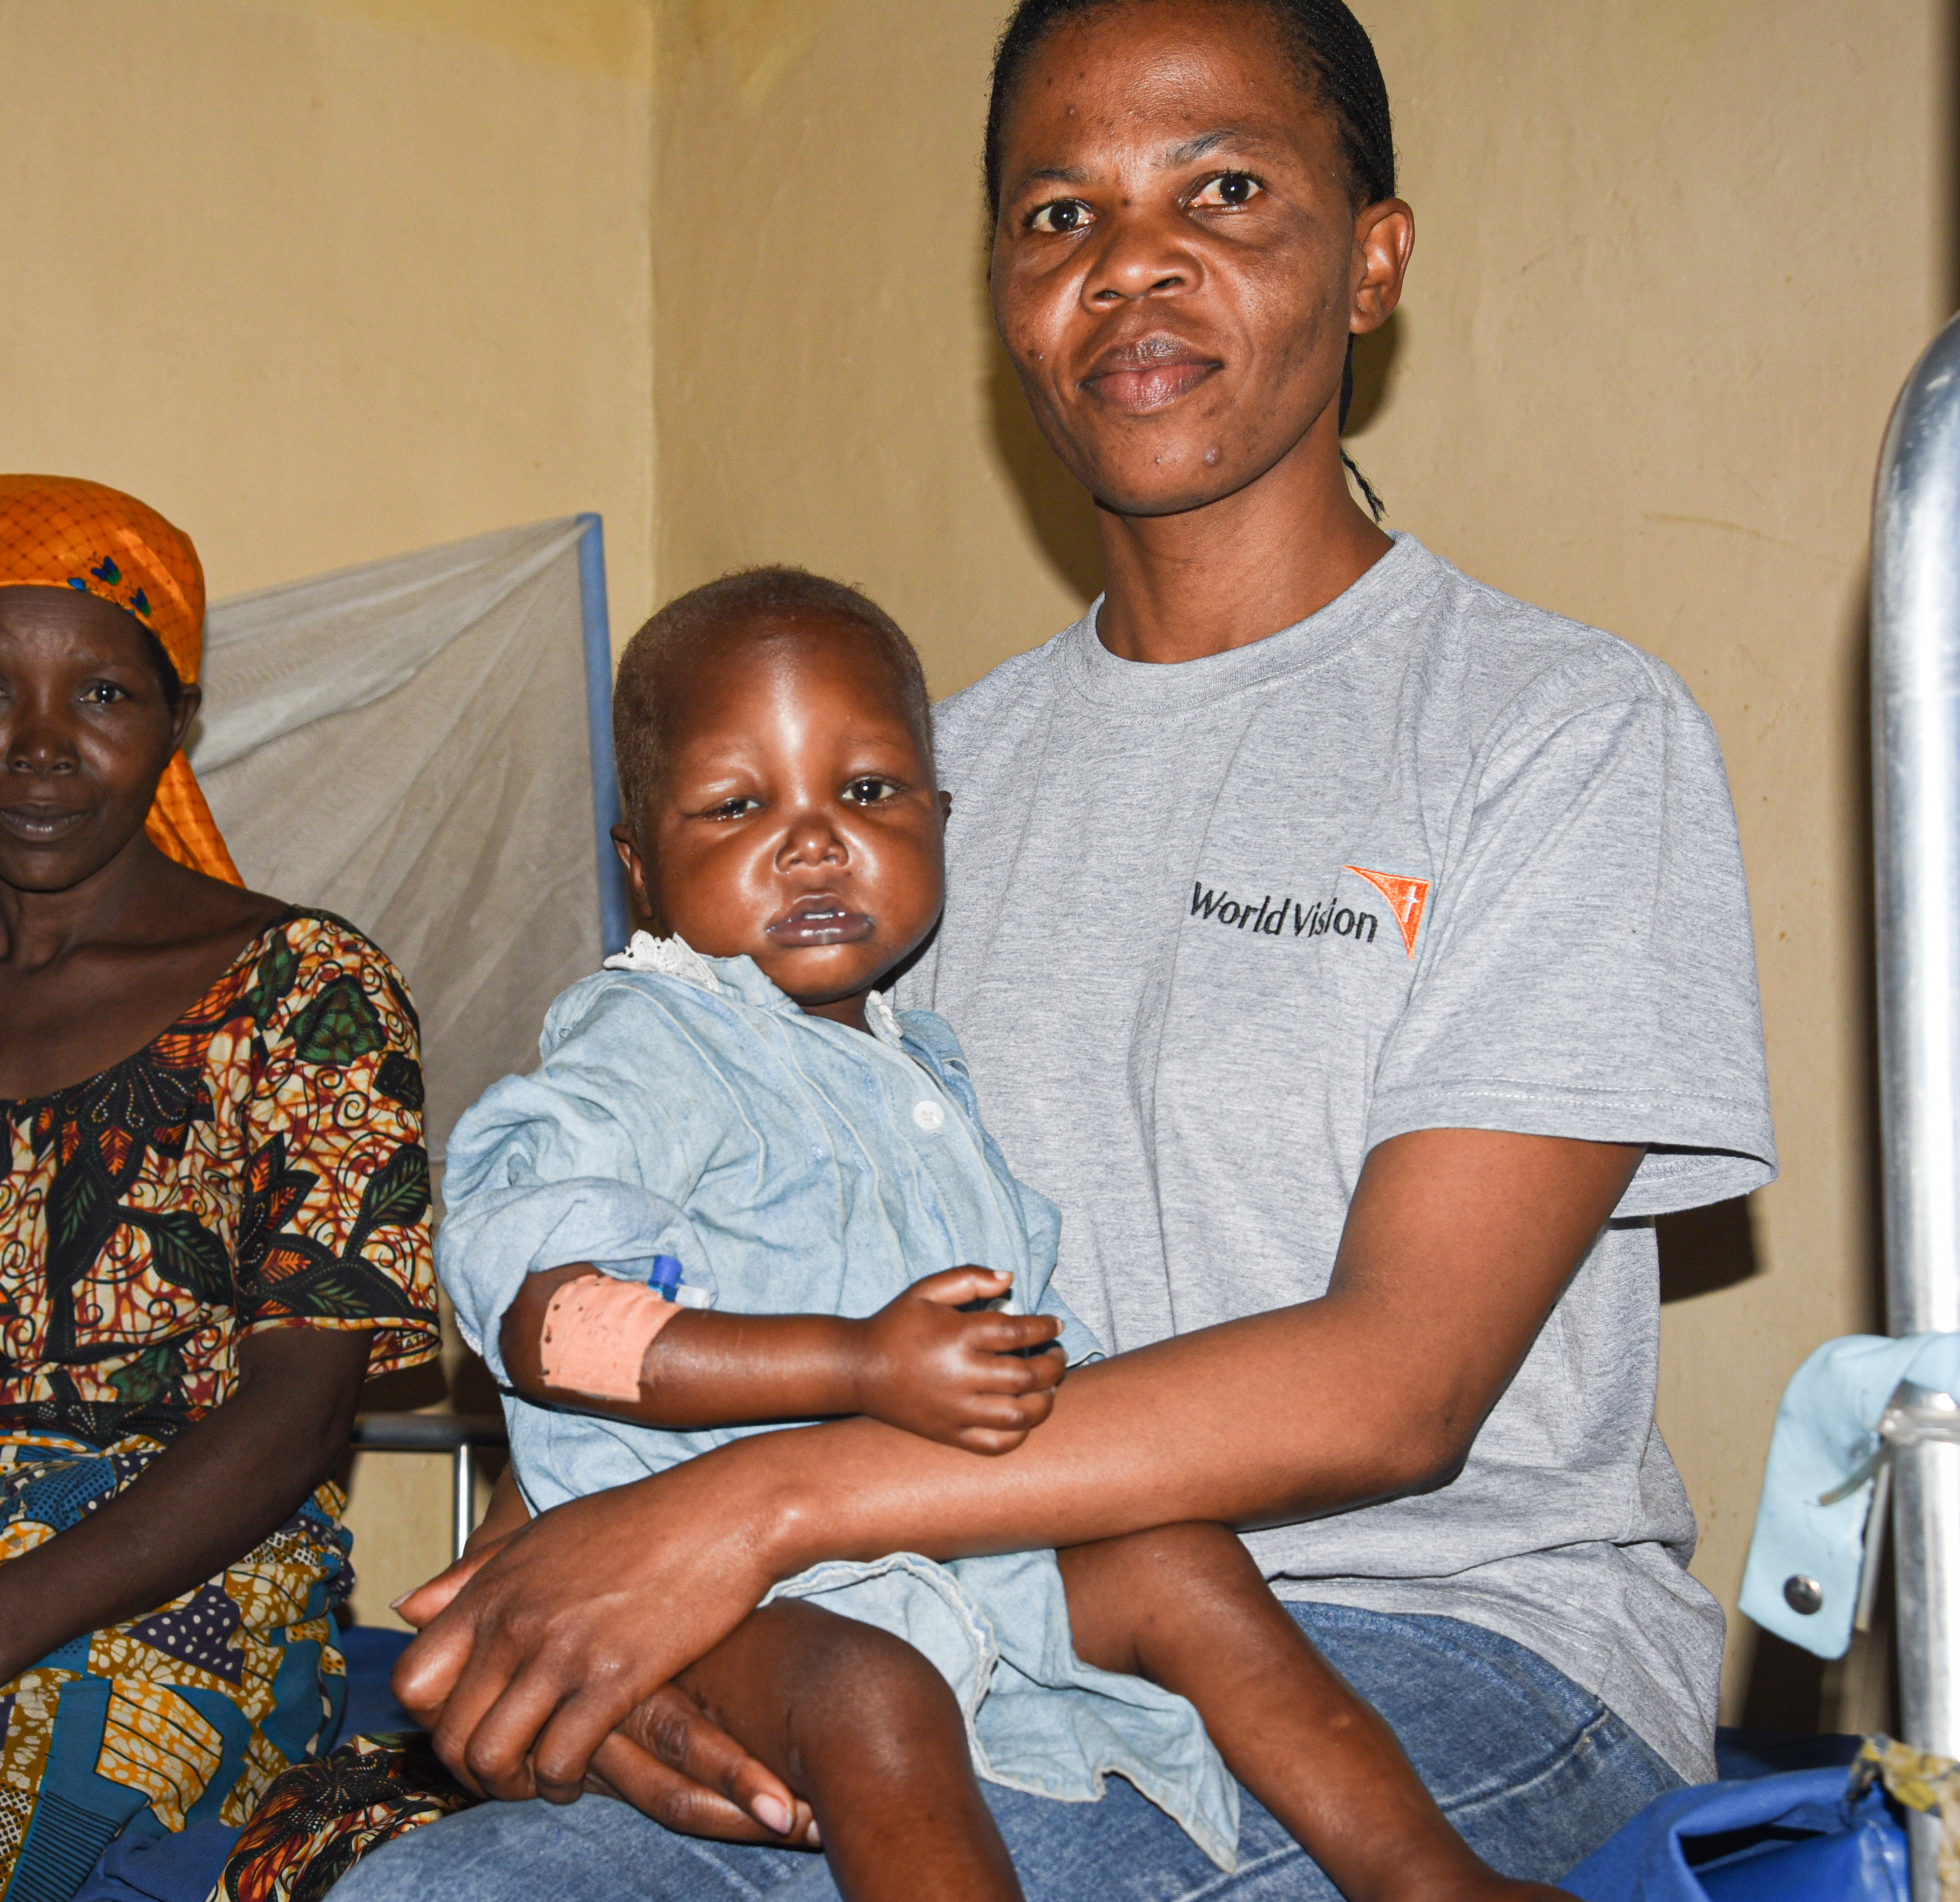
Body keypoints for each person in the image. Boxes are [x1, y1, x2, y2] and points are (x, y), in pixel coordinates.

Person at [337, 0, 1775, 1899]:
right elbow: (661, 1197)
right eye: (1055, 210)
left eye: (1227, 188)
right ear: (1006, 296)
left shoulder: (1547, 730)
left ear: (1373, 256)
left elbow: (1394, 1379)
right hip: (957, 1615)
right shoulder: (902, 801)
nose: (1132, 260)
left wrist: (755, 1512)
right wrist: (662, 1592)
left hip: (1437, 1640)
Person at [431, 563, 1577, 1902]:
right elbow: (549, 1319)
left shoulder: (916, 1064)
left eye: (864, 795)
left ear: (939, 818)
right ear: (639, 867)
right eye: (738, 806)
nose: (811, 843)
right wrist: (848, 1365)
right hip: (738, 1604)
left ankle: (1424, 1875)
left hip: (952, 1535)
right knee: (872, 1702)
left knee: (1180, 1562)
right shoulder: (638, 1045)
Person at [0, 474, 440, 1901]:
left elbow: (297, 1420)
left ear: (177, 721)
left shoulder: (305, 992)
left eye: (104, 697)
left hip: (182, 1593)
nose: (42, 747)